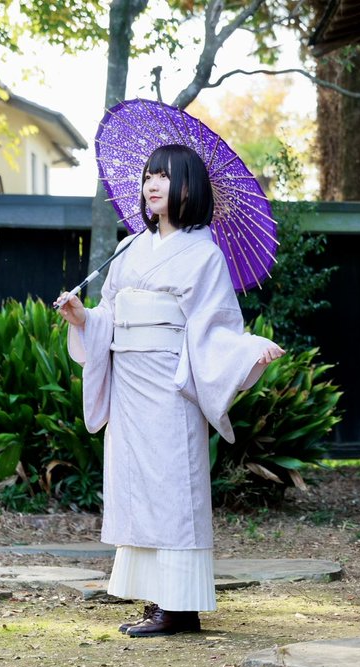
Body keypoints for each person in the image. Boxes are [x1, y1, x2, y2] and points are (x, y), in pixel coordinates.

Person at [56, 143, 284, 637]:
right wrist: (83, 317)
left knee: (172, 490)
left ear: (190, 188)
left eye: (165, 177)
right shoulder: (130, 247)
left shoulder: (204, 255)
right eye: (148, 177)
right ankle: (156, 598)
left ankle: (180, 608)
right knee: (137, 488)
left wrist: (246, 351)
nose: (152, 185)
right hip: (129, 384)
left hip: (171, 384)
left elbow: (214, 329)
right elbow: (110, 317)